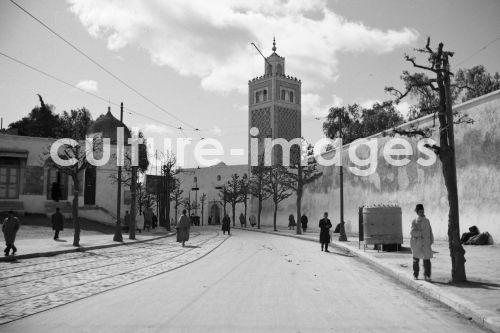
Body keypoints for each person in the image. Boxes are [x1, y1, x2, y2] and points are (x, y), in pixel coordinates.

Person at [410, 204, 434, 281]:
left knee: (427, 260)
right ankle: (415, 275)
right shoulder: (414, 221)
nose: (422, 213)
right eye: (420, 211)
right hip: (417, 243)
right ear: (417, 212)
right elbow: (412, 232)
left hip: (426, 243)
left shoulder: (427, 220)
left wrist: (431, 240)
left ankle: (427, 275)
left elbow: (430, 231)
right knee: (416, 260)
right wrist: (420, 233)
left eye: (422, 211)